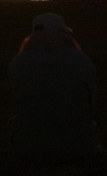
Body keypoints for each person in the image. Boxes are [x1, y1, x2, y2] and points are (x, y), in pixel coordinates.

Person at [9, 12, 97, 166]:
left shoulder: (20, 62)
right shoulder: (80, 60)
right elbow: (91, 98)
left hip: (28, 144)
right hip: (77, 144)